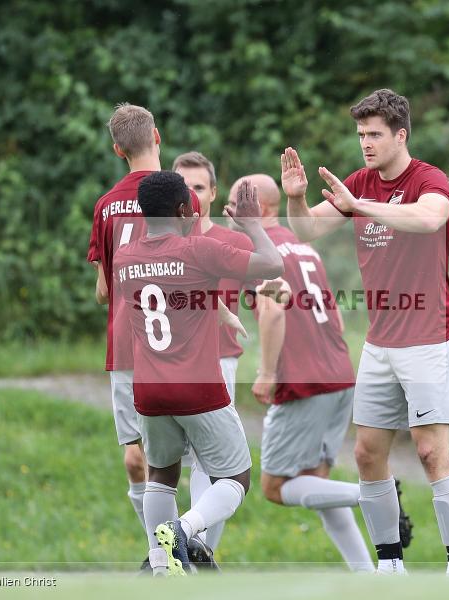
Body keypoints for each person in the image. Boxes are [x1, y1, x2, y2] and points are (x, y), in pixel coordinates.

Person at [282, 89, 449, 575]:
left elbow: (430, 218)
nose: (365, 143)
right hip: (381, 341)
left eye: (375, 135)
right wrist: (298, 198)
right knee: (367, 454)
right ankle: (390, 568)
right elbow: (306, 231)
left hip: (428, 336)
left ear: (400, 134)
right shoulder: (359, 183)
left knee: (431, 452)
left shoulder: (429, 179)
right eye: (361, 134)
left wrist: (361, 205)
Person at [87, 104, 242, 562]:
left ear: (117, 149)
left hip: (128, 345)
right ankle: (191, 549)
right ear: (158, 135)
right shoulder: (185, 200)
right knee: (205, 460)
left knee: (144, 463)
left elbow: (103, 291)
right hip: (180, 344)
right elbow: (194, 269)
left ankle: (161, 559)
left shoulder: (104, 206)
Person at [113, 172, 283, 576]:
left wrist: (216, 309)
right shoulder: (199, 250)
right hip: (198, 387)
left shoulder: (125, 258)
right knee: (235, 476)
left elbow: (171, 298)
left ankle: (160, 566)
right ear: (184, 210)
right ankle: (184, 530)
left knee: (162, 475)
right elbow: (273, 263)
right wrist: (253, 225)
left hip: (149, 390)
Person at [228, 174, 375, 572]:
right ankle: (370, 578)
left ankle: (374, 496)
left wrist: (267, 372)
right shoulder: (304, 247)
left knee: (275, 487)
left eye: (236, 205)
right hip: (339, 375)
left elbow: (274, 310)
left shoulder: (259, 249)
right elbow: (339, 321)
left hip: (304, 382)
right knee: (316, 482)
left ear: (261, 210)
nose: (230, 215)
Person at [172, 150, 254, 552]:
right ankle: (187, 544)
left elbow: (265, 287)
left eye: (199, 187)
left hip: (218, 362)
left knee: (212, 463)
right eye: (183, 186)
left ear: (214, 192)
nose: (190, 194)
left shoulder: (231, 241)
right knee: (169, 466)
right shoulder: (159, 241)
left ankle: (195, 546)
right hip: (166, 364)